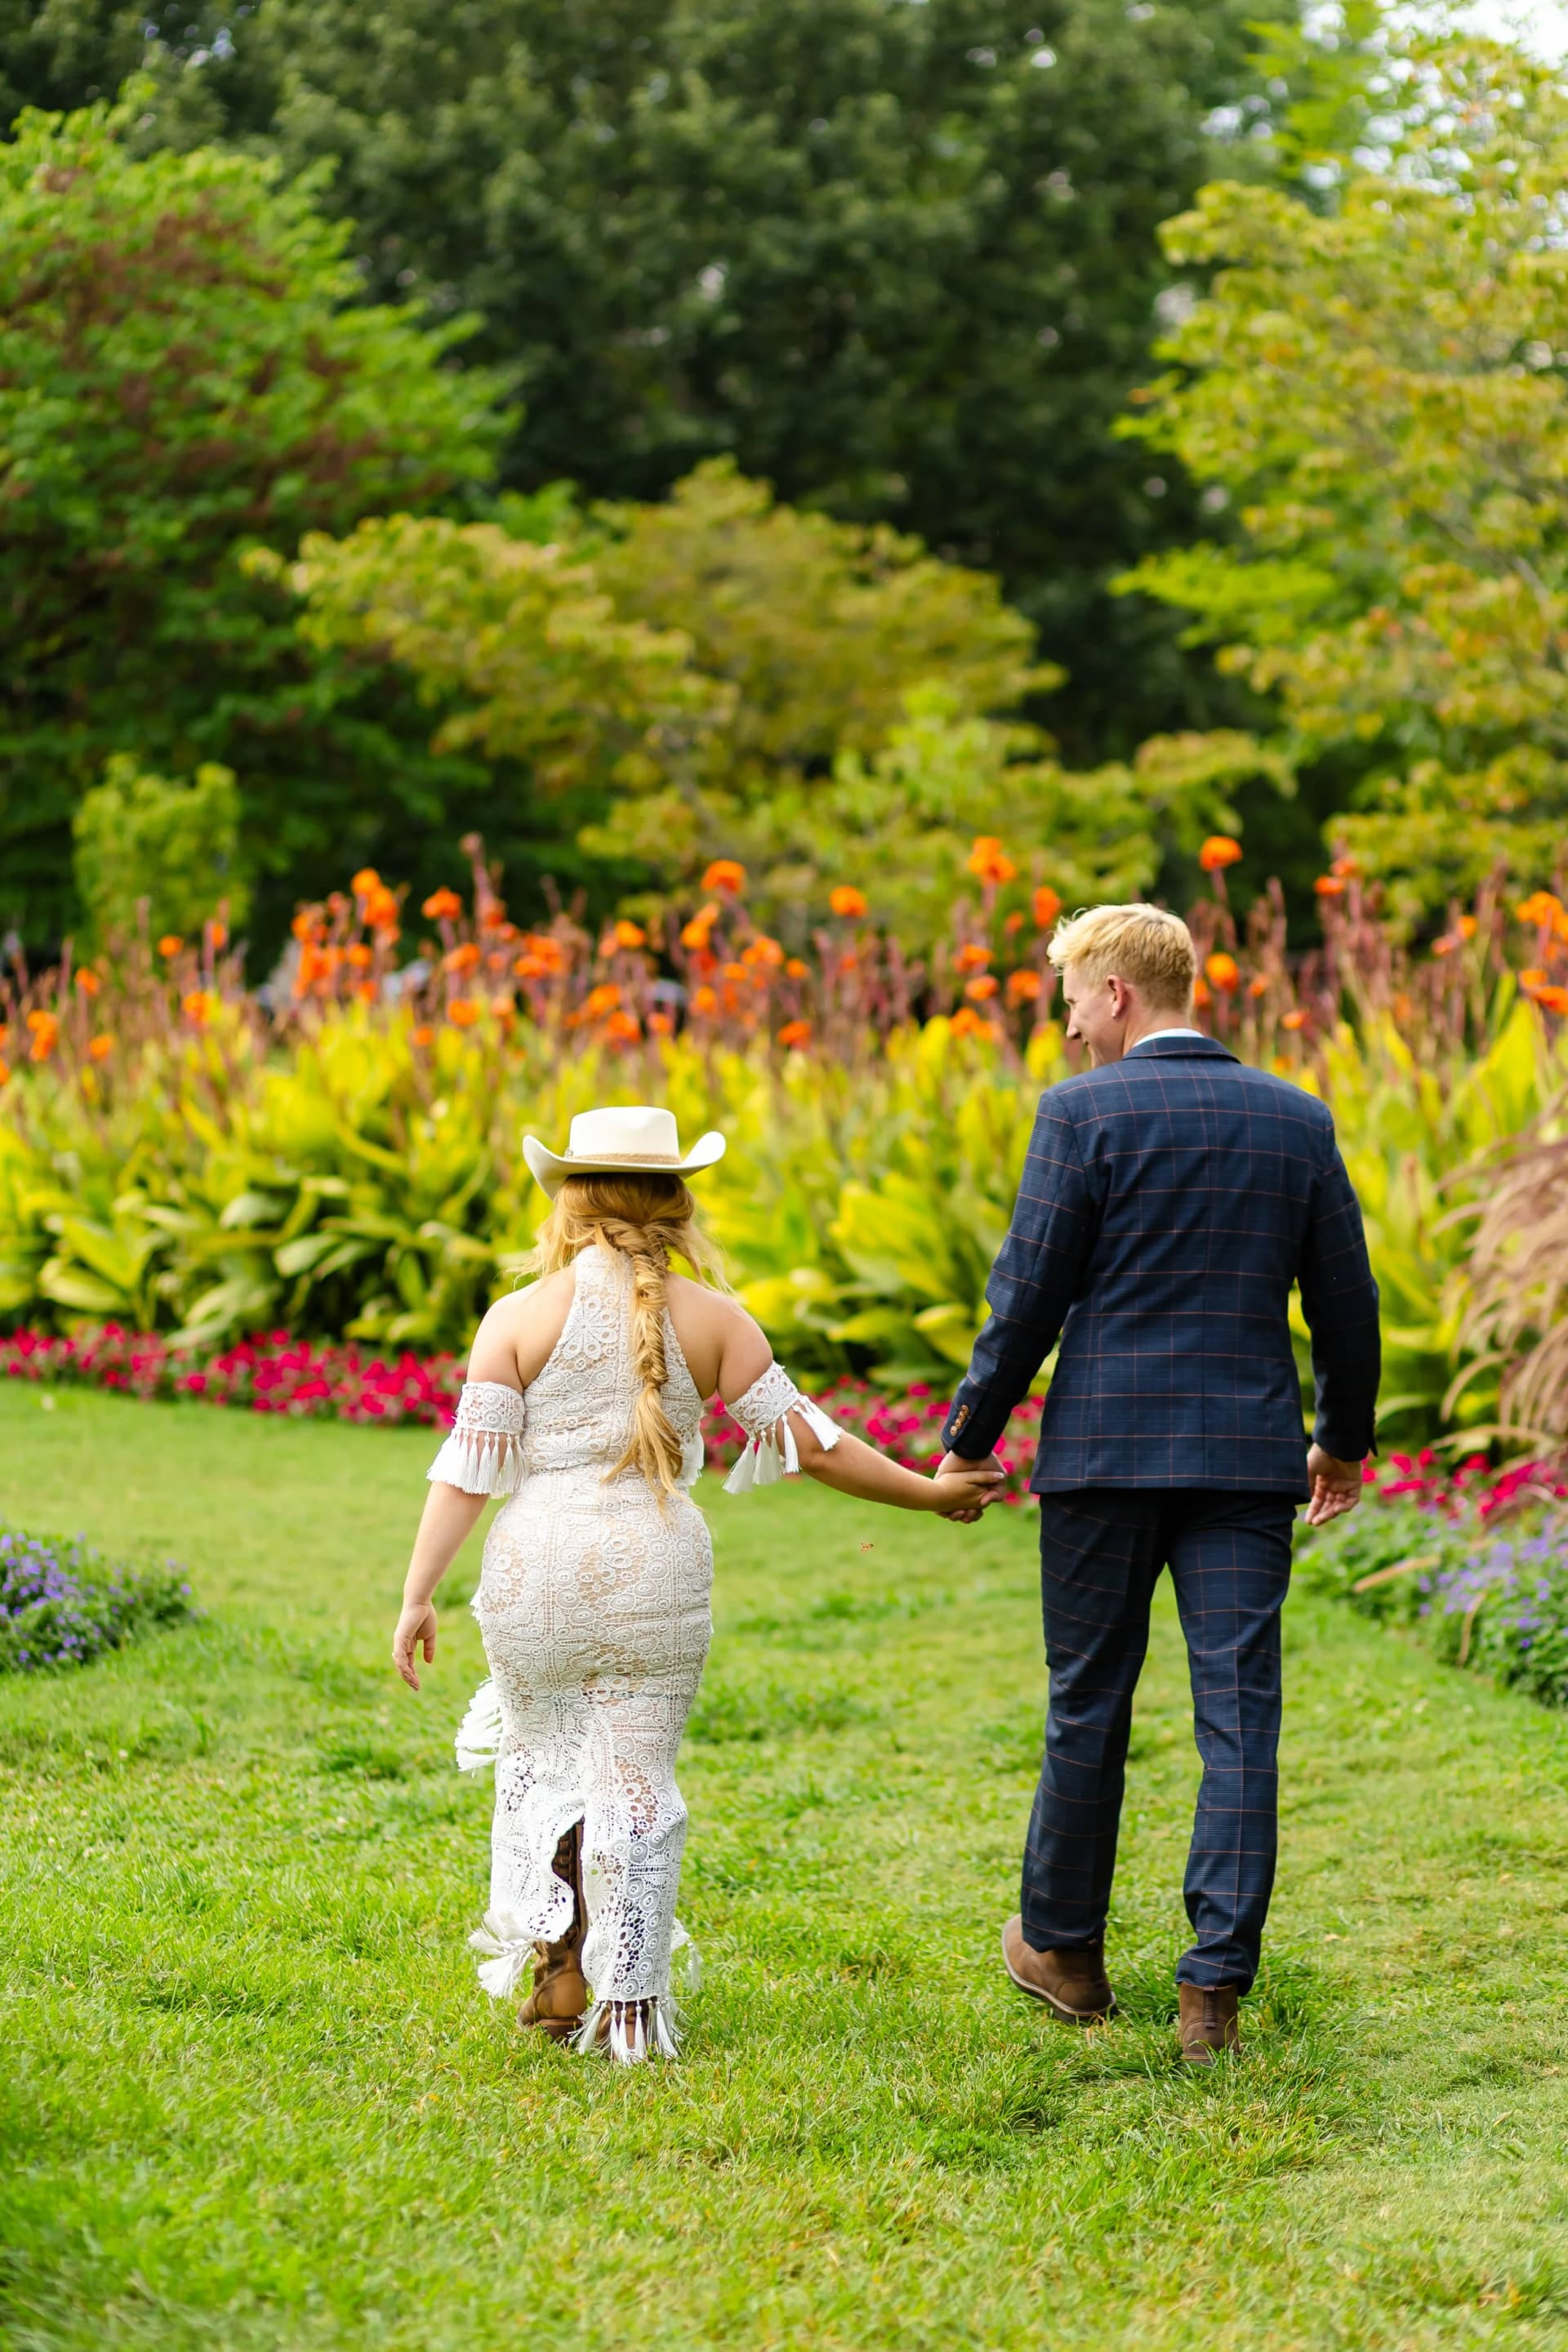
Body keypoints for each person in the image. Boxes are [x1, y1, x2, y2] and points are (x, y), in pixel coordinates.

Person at [392, 1104, 1000, 2065]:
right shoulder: (717, 1320)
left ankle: (560, 1963)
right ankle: (628, 2000)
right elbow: (813, 1446)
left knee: (544, 1760)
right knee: (633, 1779)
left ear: (569, 1201)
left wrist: (418, 1593)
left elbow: (468, 1471)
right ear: (677, 1203)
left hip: (534, 1572)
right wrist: (930, 1494)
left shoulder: (516, 1318)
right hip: (654, 1570)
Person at [938, 904, 1380, 2064]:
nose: (1070, 1022)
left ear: (1120, 992)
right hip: (1245, 1462)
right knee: (1241, 1719)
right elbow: (1346, 1298)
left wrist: (967, 1436)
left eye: (1073, 996)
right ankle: (1211, 1995)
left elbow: (1026, 1295)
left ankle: (1066, 1957)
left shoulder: (1082, 1112)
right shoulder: (1296, 1120)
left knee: (1089, 1699)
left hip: (1103, 1457)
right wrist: (1340, 1438)